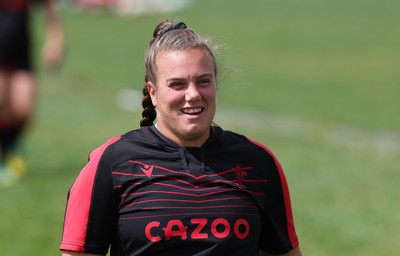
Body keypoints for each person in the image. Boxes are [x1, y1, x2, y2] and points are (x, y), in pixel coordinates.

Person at [59, 20, 302, 256]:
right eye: (178, 84)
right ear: (153, 93)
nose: (193, 94)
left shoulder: (258, 162)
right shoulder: (111, 163)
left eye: (203, 81)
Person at [0, 0, 64, 186]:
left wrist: (56, 39)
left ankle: (10, 146)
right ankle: (9, 157)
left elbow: (48, 5)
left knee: (23, 108)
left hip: (20, 44)